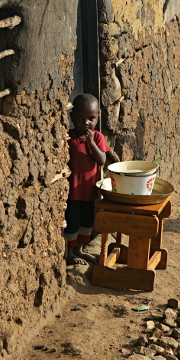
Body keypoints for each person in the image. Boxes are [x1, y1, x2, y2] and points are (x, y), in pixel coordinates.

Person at [64, 93, 110, 265]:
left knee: (86, 222)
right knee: (72, 222)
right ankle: (70, 252)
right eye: (80, 118)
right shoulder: (68, 137)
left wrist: (91, 143)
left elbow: (102, 160)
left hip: (89, 192)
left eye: (91, 118)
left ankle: (79, 250)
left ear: (98, 118)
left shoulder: (97, 137)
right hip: (73, 193)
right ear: (72, 117)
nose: (86, 123)